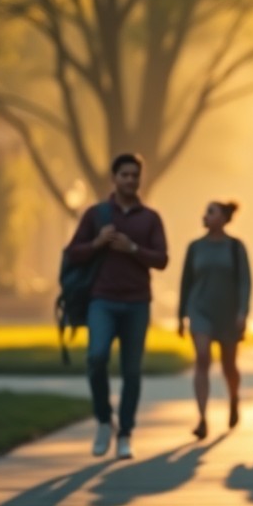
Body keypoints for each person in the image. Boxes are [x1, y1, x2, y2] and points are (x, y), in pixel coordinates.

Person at [65, 153, 169, 460]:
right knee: (96, 358)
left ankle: (125, 433)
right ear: (114, 178)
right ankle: (102, 420)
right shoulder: (96, 215)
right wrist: (96, 243)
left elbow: (162, 259)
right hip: (103, 300)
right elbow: (72, 253)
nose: (130, 180)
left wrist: (133, 249)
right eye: (125, 175)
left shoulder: (150, 218)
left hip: (137, 302)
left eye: (135, 175)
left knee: (131, 371)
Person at [178, 200, 251, 439]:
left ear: (223, 218)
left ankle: (233, 398)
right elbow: (186, 282)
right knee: (202, 358)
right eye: (206, 211)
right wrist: (181, 315)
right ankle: (202, 418)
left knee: (229, 365)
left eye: (211, 211)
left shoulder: (235, 247)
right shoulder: (195, 247)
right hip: (200, 310)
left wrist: (242, 311)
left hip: (228, 313)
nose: (206, 215)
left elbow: (244, 281)